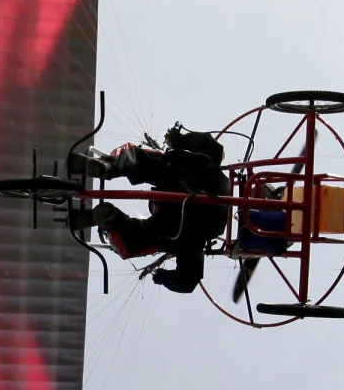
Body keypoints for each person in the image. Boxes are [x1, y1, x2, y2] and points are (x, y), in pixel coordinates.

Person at [68, 125, 231, 293]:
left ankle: (110, 166)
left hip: (187, 176)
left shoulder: (217, 174)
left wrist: (179, 139)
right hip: (184, 225)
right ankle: (108, 219)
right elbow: (187, 283)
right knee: (138, 240)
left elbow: (212, 146)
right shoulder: (195, 241)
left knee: (143, 162)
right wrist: (161, 277)